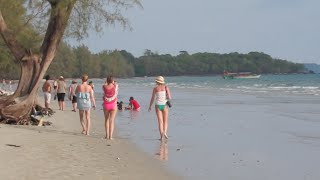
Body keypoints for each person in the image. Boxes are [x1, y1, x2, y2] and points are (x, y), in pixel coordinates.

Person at [148, 76, 172, 140]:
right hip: (164, 105)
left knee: (160, 121)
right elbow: (169, 97)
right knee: (165, 121)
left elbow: (152, 98)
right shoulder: (166, 87)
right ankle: (165, 133)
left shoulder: (155, 88)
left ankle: (161, 136)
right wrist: (166, 97)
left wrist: (150, 106)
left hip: (157, 105)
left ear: (157, 81)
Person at [102, 75, 118, 140]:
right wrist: (113, 83)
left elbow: (104, 85)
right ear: (112, 80)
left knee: (106, 120)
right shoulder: (115, 86)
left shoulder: (104, 87)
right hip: (113, 105)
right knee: (112, 120)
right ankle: (110, 136)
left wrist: (106, 82)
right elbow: (116, 86)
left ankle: (106, 135)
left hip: (106, 105)